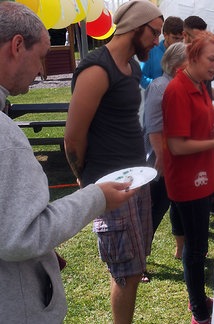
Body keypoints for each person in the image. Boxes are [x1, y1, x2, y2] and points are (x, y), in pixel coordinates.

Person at [0, 2, 137, 323]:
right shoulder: (5, 135)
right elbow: (21, 235)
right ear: (17, 46)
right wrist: (97, 195)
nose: (41, 69)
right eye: (42, 55)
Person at [63, 1, 163, 323]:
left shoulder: (132, 68)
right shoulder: (96, 69)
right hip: (109, 185)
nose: (157, 41)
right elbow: (73, 138)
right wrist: (85, 183)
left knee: (135, 265)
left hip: (137, 178)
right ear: (136, 27)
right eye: (154, 33)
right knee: (125, 271)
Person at [162, 31, 214, 324]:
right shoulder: (176, 90)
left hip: (203, 177)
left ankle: (199, 300)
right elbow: (176, 145)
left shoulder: (199, 83)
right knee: (196, 249)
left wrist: (212, 120)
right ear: (193, 57)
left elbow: (199, 117)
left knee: (198, 245)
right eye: (211, 59)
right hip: (189, 183)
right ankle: (200, 311)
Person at [143, 42, 187, 259]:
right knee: (153, 210)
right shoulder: (160, 86)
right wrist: (161, 158)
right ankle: (140, 258)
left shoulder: (181, 84)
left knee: (178, 208)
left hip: (178, 158)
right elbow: (153, 126)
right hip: (161, 160)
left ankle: (180, 249)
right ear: (178, 65)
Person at [140, 16, 184, 89]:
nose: (179, 42)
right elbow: (141, 77)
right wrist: (159, 87)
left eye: (181, 39)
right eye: (175, 38)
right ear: (165, 35)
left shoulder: (183, 53)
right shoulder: (151, 51)